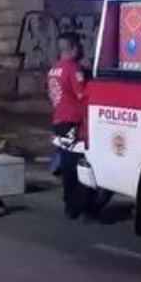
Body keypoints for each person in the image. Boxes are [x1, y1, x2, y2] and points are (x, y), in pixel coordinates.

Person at [48, 32, 90, 219]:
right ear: (73, 48)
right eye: (80, 46)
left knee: (68, 165)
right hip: (74, 123)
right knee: (79, 165)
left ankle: (70, 205)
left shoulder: (54, 69)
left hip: (59, 122)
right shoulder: (74, 69)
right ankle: (79, 206)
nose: (82, 49)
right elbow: (83, 96)